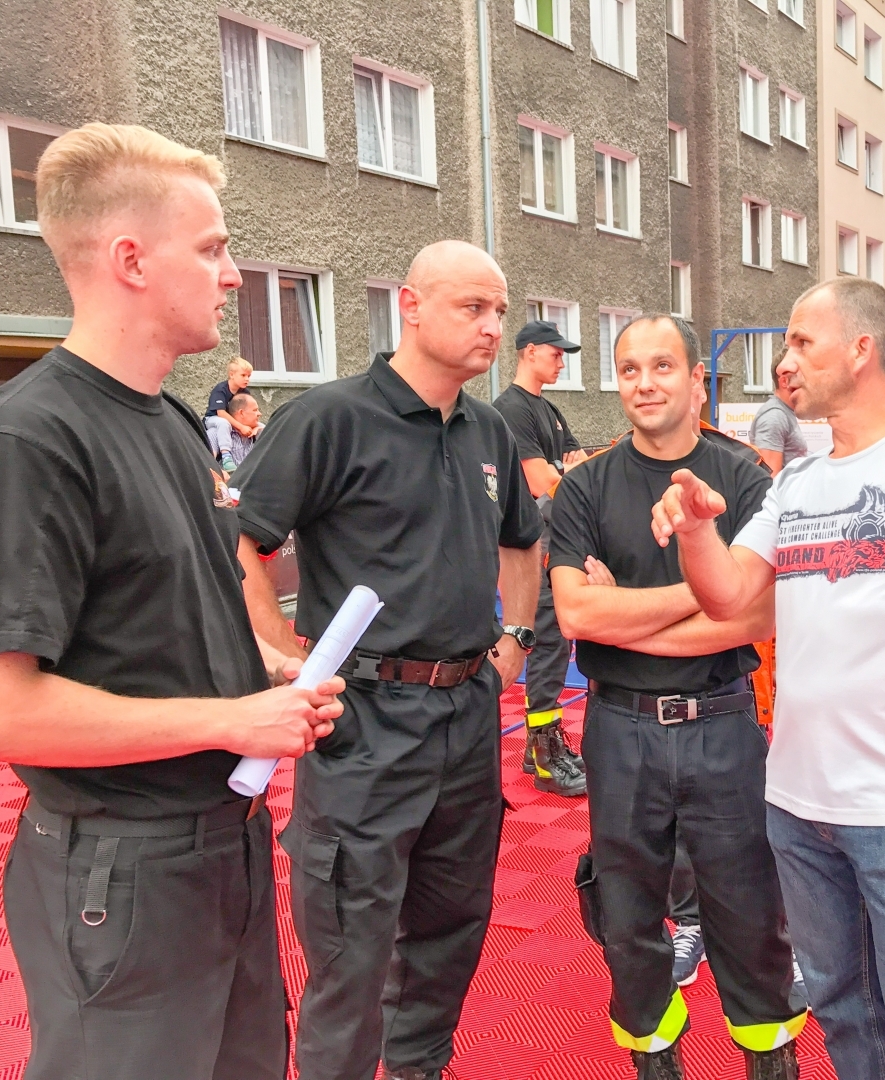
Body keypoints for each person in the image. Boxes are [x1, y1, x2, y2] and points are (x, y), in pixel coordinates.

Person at [0, 123, 344, 1080]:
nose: (235, 273)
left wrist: (271, 670)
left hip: (218, 850)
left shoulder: (165, 422)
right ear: (130, 260)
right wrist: (235, 715)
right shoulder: (24, 443)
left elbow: (157, 620)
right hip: (117, 869)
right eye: (212, 248)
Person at [650, 278, 885, 1080]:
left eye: (800, 343)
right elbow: (730, 593)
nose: (786, 363)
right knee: (846, 1018)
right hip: (797, 807)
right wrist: (695, 530)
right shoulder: (798, 481)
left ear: (861, 349)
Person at [234, 239, 543, 1080]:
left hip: (466, 715)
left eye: (499, 312)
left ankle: (420, 1070)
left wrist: (513, 642)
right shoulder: (329, 417)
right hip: (363, 722)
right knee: (351, 953)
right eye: (472, 308)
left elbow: (524, 544)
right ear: (410, 306)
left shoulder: (489, 430)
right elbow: (240, 546)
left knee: (451, 931)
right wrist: (275, 658)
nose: (492, 328)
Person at [551, 314, 805, 1080]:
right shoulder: (585, 486)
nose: (643, 384)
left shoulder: (745, 480)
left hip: (723, 722)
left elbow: (759, 614)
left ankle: (770, 1055)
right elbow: (574, 615)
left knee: (749, 908)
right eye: (628, 369)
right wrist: (704, 599)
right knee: (627, 913)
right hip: (618, 730)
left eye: (662, 366)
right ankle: (654, 1059)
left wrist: (624, 610)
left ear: (699, 380)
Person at [492, 319, 589, 798]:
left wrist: (566, 472)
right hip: (532, 545)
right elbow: (541, 482)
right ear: (529, 351)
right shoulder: (510, 409)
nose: (561, 360)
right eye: (555, 352)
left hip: (555, 538)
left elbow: (580, 469)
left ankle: (543, 743)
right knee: (546, 642)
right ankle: (542, 751)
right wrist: (563, 473)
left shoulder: (548, 410)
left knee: (554, 643)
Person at [747, 370, 808, 475]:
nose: (807, 383)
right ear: (784, 381)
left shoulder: (784, 412)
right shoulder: (774, 416)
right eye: (802, 376)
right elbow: (769, 478)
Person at [205, 356, 254, 470]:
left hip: (230, 422)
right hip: (213, 419)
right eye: (243, 375)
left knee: (261, 426)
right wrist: (241, 427)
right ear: (232, 375)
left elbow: (248, 413)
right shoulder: (221, 389)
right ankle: (226, 456)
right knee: (223, 423)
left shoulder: (244, 392)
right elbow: (221, 413)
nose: (247, 379)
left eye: (249, 376)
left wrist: (255, 427)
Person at [219, 391, 262, 469]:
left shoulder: (259, 433)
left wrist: (260, 429)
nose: (259, 414)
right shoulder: (219, 434)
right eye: (255, 410)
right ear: (241, 413)